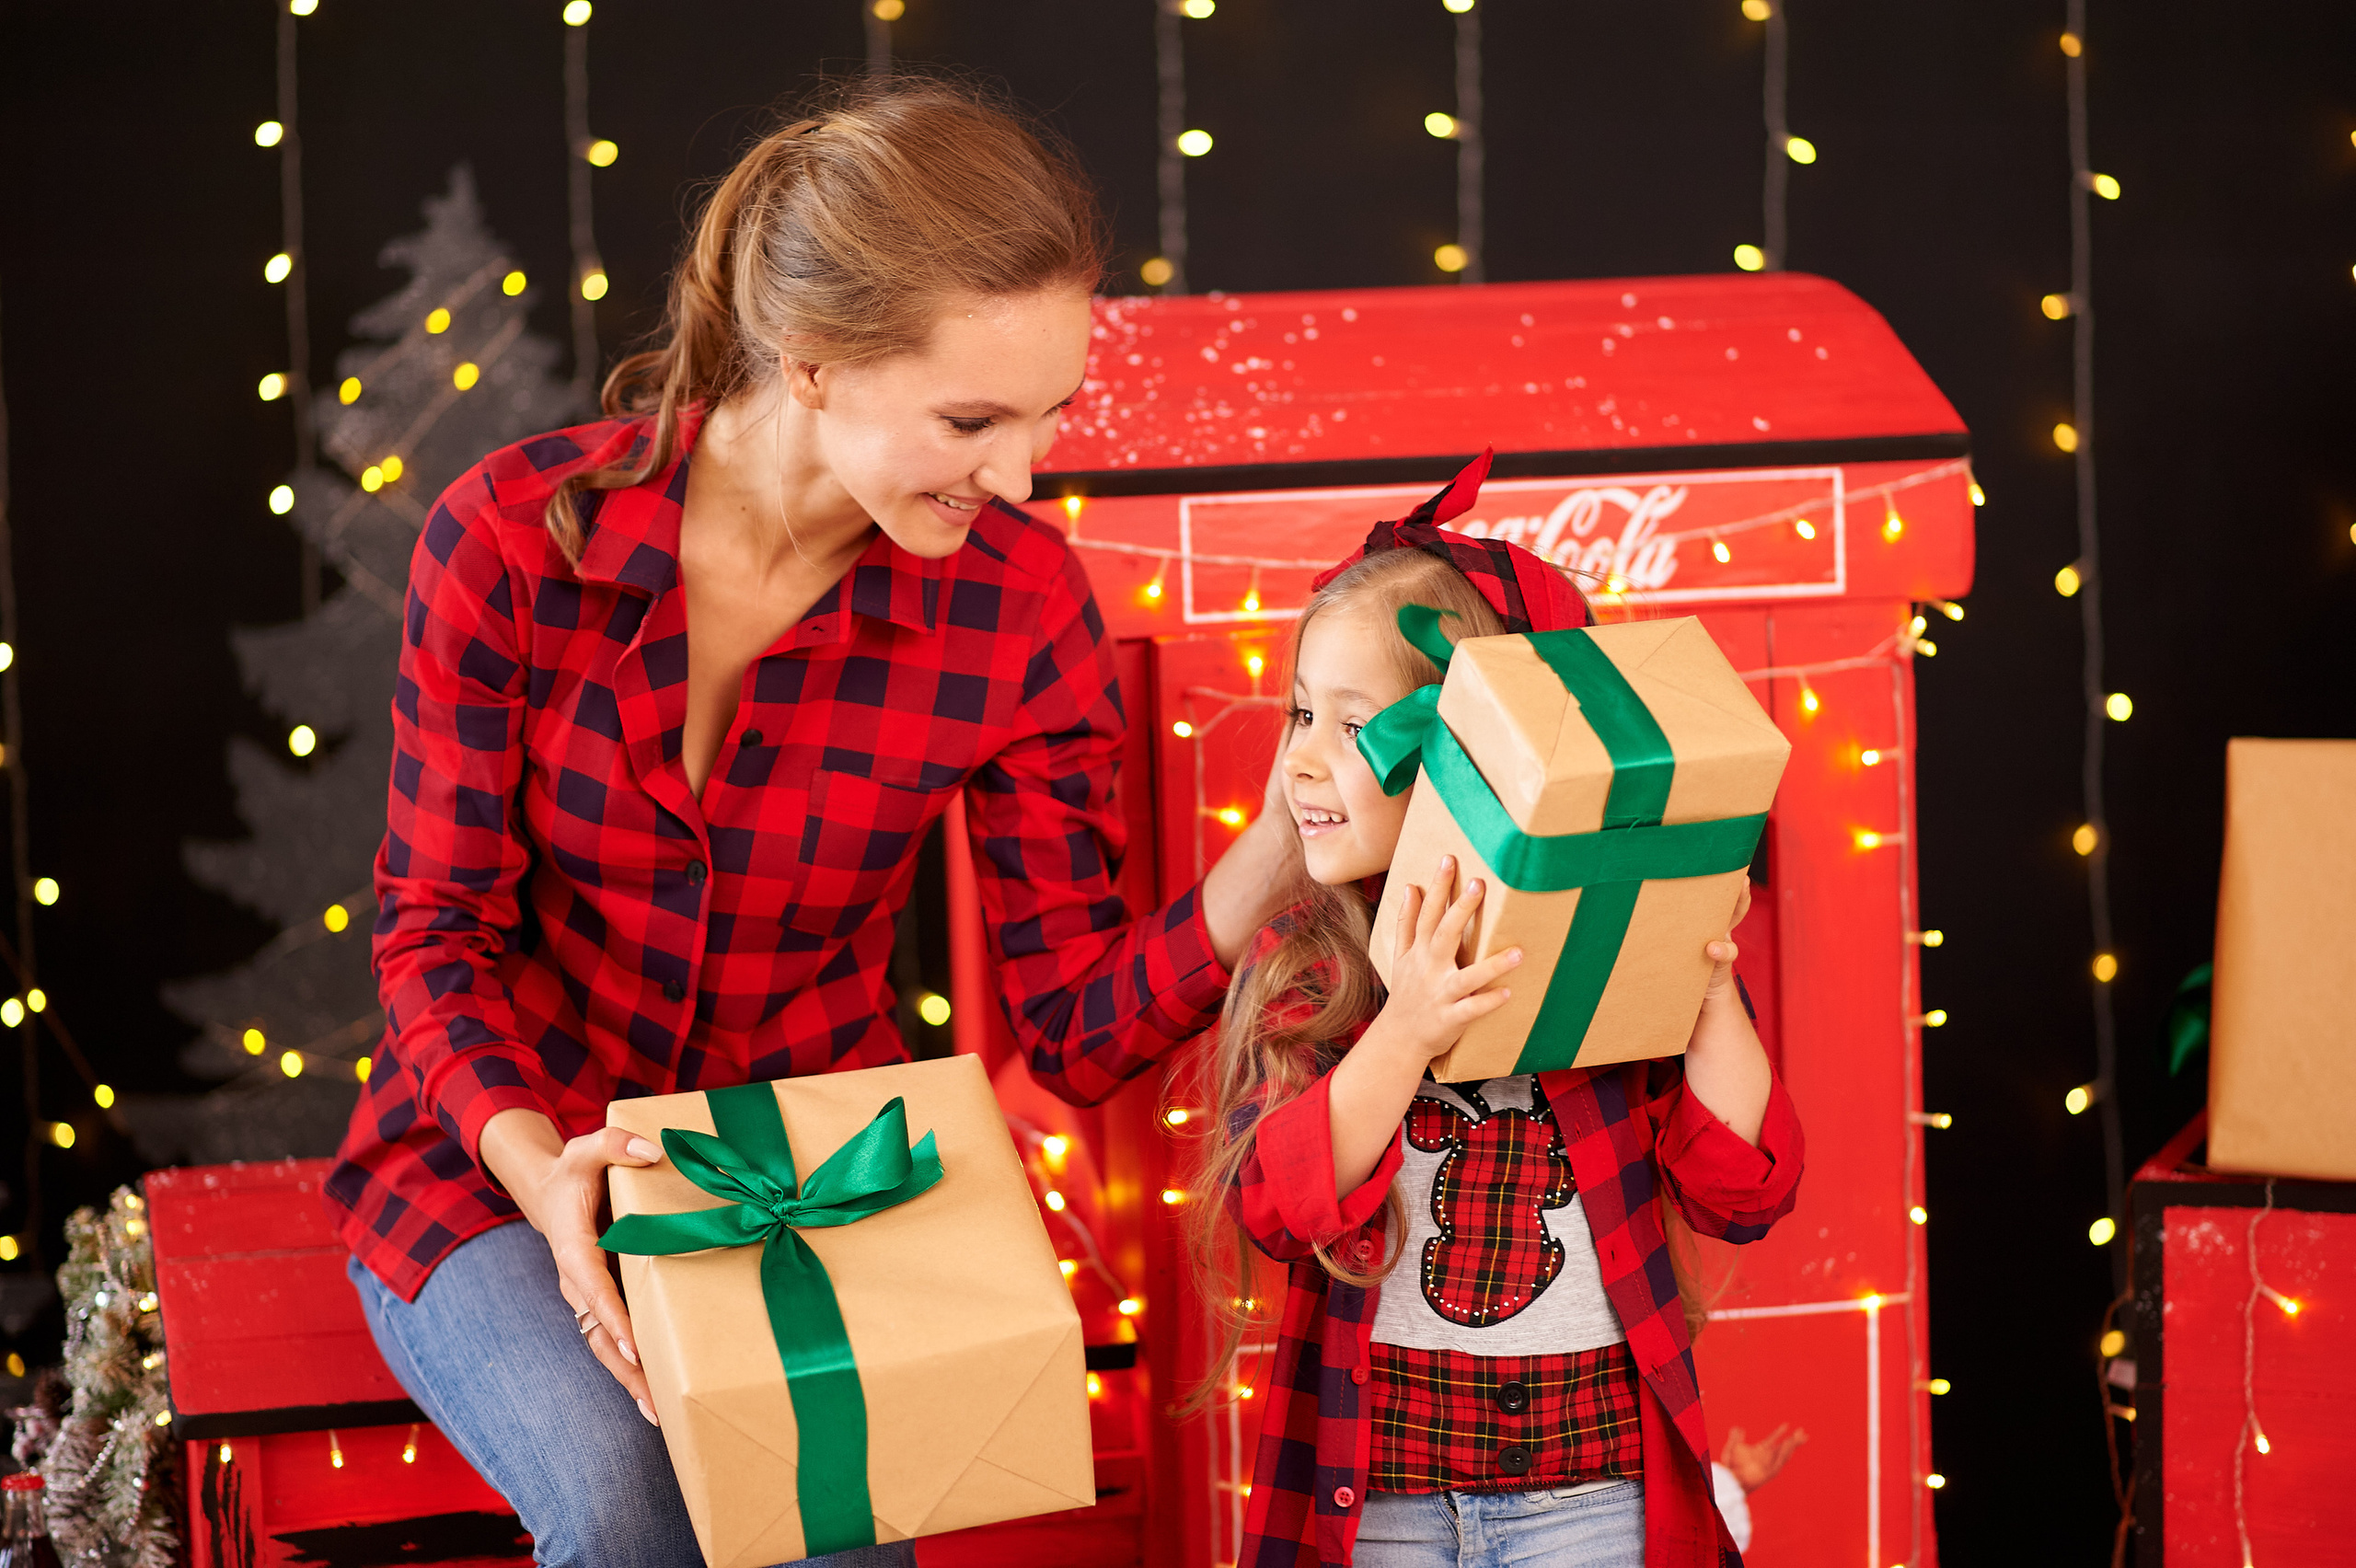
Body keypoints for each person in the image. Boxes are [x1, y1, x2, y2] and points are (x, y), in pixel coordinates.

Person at [327, 78, 1296, 1568]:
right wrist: (550, 1178)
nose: (1021, 474)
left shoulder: (1014, 604)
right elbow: (433, 932)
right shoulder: (510, 540)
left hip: (809, 1176)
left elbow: (1075, 1019)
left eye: (1043, 418)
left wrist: (1285, 836)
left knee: (825, 1523)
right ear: (817, 363)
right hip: (497, 1163)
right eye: (972, 419)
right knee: (627, 1502)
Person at [1190, 460, 1807, 1568]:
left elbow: (1740, 1189)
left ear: (1480, 755)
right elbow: (1276, 1210)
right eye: (1299, 714)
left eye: (1353, 726)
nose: (1301, 761)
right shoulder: (1307, 963)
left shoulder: (1613, 939)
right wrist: (1406, 1028)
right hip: (1379, 1492)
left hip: (1593, 1484)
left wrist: (1707, 985)